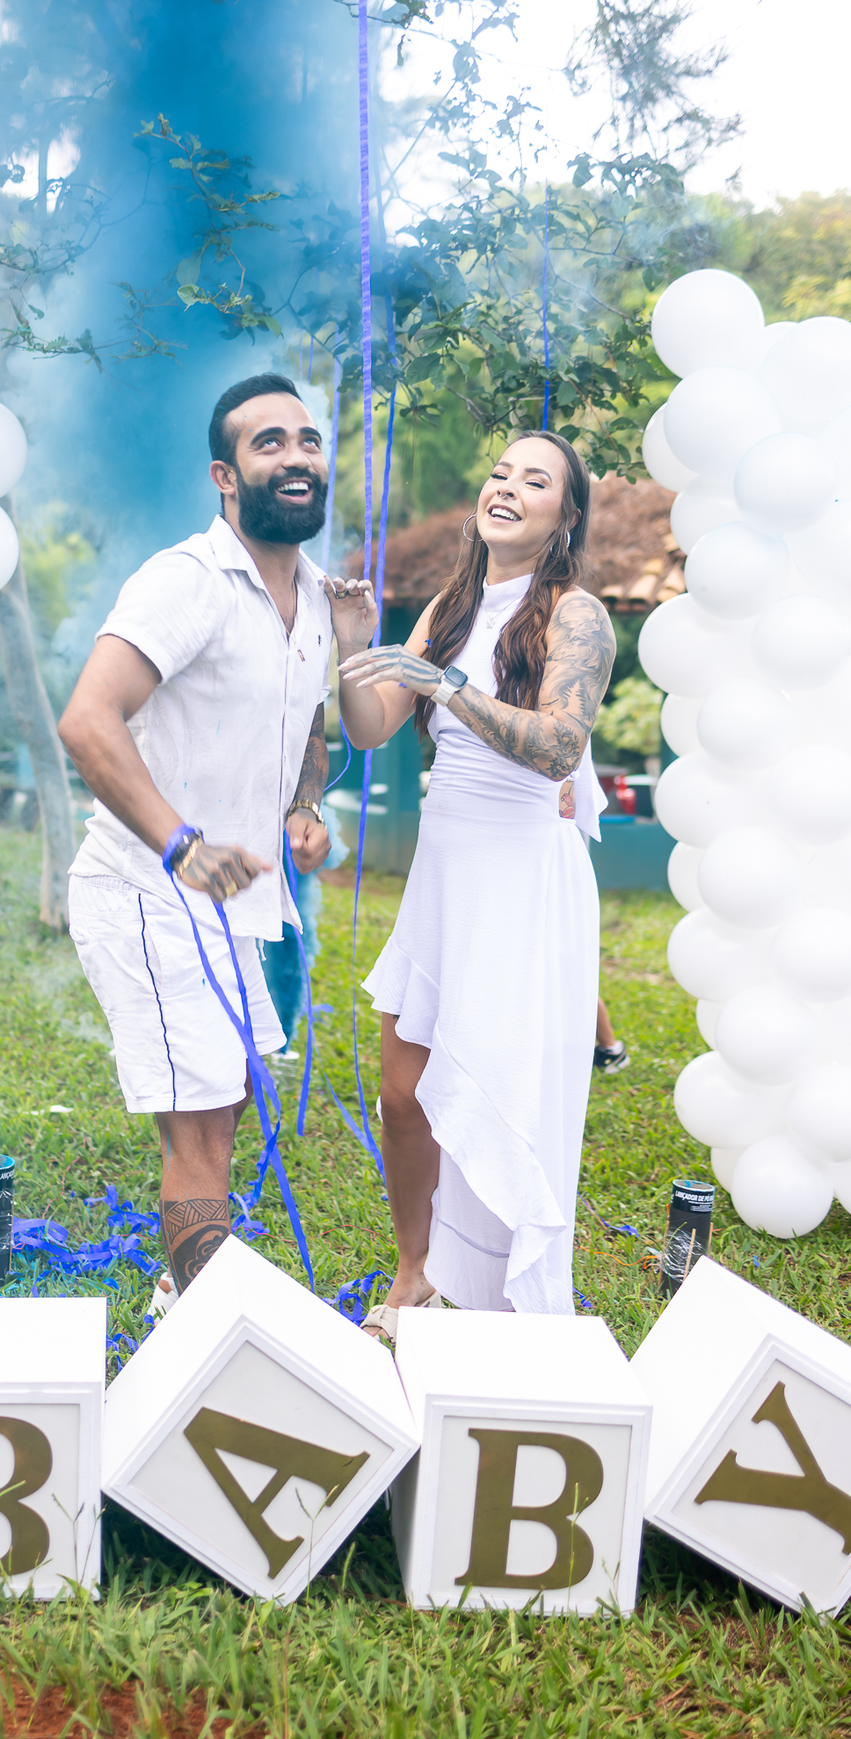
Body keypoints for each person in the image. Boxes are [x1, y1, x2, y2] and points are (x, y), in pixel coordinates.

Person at [329, 429, 616, 1333]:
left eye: (535, 481)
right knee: (402, 1095)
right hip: (444, 878)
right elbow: (372, 726)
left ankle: (501, 1296)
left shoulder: (577, 614)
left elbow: (559, 747)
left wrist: (447, 683)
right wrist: (352, 647)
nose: (508, 487)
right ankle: (415, 1272)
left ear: (565, 515)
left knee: (499, 1090)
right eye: (499, 472)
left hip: (521, 879)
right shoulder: (450, 607)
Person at [58, 373, 333, 1307]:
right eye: (269, 442)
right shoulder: (187, 581)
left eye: (308, 439)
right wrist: (182, 844)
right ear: (226, 475)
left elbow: (308, 717)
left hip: (232, 903)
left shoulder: (317, 598)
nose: (296, 455)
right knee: (204, 1127)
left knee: (229, 1100)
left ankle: (186, 1301)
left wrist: (304, 804)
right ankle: (203, 1331)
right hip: (147, 888)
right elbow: (88, 720)